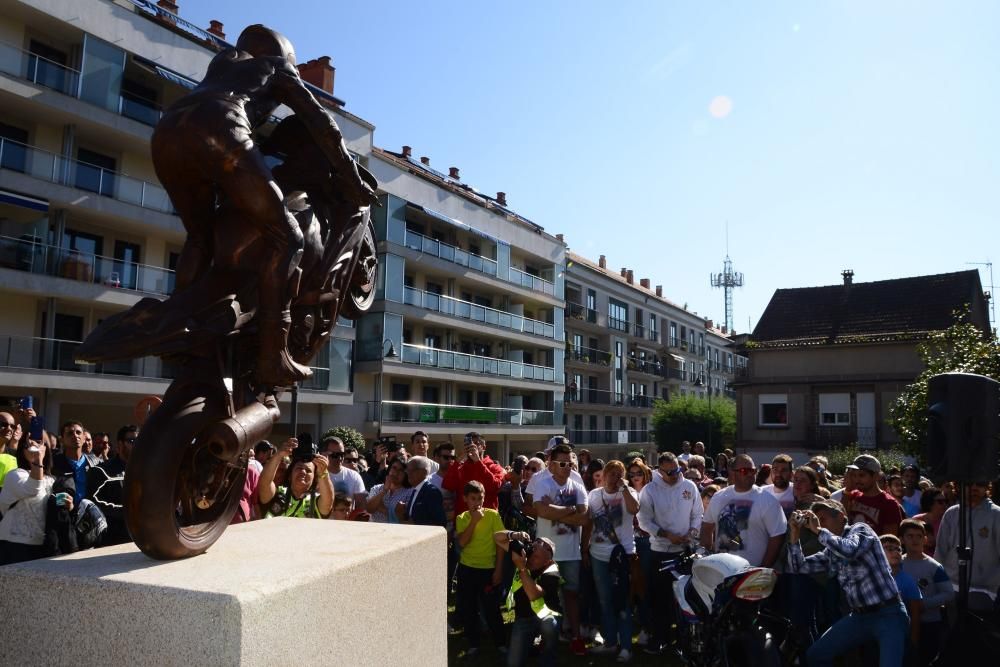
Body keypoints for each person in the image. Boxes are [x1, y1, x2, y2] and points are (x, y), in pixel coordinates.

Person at [150, 24, 373, 387]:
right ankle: (274, 354)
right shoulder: (275, 67)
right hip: (218, 125)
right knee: (288, 238)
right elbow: (322, 124)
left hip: (167, 133)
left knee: (199, 238)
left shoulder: (221, 65)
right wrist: (352, 177)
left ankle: (177, 326)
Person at [788, 499, 909, 667]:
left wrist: (817, 529)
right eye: (816, 519)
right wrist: (794, 535)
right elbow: (798, 567)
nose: (818, 523)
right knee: (815, 656)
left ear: (841, 517)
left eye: (823, 519)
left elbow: (849, 550)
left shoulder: (861, 530)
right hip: (859, 616)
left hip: (888, 613)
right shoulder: (831, 550)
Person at [637, 451, 703, 653]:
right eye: (670, 472)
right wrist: (665, 534)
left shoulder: (689, 486)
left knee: (687, 598)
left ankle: (684, 640)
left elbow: (697, 512)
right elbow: (644, 520)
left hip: (685, 549)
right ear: (660, 471)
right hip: (661, 551)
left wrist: (692, 531)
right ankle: (660, 638)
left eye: (677, 470)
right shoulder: (649, 491)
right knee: (660, 597)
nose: (675, 475)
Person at [532, 442, 589, 656]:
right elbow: (542, 511)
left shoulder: (578, 484)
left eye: (571, 462)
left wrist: (558, 510)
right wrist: (571, 509)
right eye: (563, 463)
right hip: (546, 553)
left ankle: (576, 637)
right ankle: (543, 637)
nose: (568, 467)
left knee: (572, 595)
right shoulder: (542, 483)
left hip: (571, 552)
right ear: (552, 465)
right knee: (544, 596)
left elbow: (584, 517)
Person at [583, 460, 638, 662]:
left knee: (623, 601)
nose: (614, 478)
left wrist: (624, 488)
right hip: (598, 553)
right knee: (605, 600)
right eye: (611, 474)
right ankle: (610, 642)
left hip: (622, 554)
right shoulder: (594, 495)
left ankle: (626, 646)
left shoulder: (628, 493)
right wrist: (584, 549)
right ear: (603, 475)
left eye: (619, 474)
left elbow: (634, 510)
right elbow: (588, 523)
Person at [701, 454, 786, 567]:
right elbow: (707, 527)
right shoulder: (718, 497)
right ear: (732, 473)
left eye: (753, 470)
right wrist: (707, 557)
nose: (751, 474)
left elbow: (777, 538)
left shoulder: (768, 500)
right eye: (745, 471)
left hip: (751, 574)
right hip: (721, 571)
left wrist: (762, 570)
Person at [454, 480, 506, 657]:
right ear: (466, 499)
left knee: (492, 608)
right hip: (467, 568)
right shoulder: (462, 518)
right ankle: (473, 642)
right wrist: (474, 522)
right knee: (469, 607)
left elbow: (500, 544)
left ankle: (500, 642)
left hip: (488, 569)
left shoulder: (493, 515)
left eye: (480, 498)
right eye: (473, 499)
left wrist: (498, 569)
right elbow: (462, 542)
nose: (477, 503)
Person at [494, 530, 561, 667]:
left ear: (548, 560)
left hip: (545, 616)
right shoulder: (522, 553)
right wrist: (513, 535)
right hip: (523, 618)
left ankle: (548, 657)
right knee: (513, 663)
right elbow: (496, 538)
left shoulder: (552, 572)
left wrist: (522, 569)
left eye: (544, 545)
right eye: (537, 540)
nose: (538, 543)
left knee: (549, 626)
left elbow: (534, 595)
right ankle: (531, 647)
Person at [933, 479, 1000, 612]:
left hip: (983, 589)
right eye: (969, 483)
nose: (974, 487)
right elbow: (940, 552)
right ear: (958, 486)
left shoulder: (996, 514)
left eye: (980, 483)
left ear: (987, 487)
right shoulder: (951, 513)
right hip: (950, 586)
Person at [900, 518, 953, 666]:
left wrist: (923, 604)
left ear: (925, 539)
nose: (915, 540)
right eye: (910, 536)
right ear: (902, 540)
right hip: (903, 623)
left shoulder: (934, 566)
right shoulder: (897, 565)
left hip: (930, 624)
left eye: (919, 536)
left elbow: (948, 593)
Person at [0, 435, 54, 564]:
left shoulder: (51, 480)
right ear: (22, 450)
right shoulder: (15, 475)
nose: (34, 447)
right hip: (14, 545)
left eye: (40, 443)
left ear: (46, 449)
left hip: (41, 545)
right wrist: (37, 459)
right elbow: (33, 488)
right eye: (28, 445)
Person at [86, 424, 138, 545]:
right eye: (132, 441)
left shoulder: (144, 472)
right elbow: (95, 504)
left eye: (140, 441)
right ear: (120, 444)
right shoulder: (101, 471)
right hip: (112, 538)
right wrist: (130, 512)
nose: (137, 444)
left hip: (140, 537)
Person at [259, 437, 333, 518]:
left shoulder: (316, 502)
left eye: (308, 471)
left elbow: (328, 502)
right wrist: (279, 454)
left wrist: (323, 472)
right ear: (290, 475)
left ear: (314, 478)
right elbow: (264, 483)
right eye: (299, 468)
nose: (303, 472)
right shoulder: (277, 495)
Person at [880, 533, 922, 660]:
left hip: (900, 637)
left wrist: (913, 642)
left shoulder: (908, 580)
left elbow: (915, 614)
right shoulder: (873, 578)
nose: (896, 552)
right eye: (889, 548)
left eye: (898, 549)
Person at [442, 432, 505, 515]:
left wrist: (478, 462)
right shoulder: (460, 467)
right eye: (468, 444)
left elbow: (495, 487)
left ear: (484, 447)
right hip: (464, 522)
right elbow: (447, 485)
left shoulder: (495, 467)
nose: (472, 446)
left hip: (487, 521)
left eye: (476, 443)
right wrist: (457, 461)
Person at [844, 454, 905, 537]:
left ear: (876, 476)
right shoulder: (853, 495)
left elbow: (889, 539)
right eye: (854, 475)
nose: (857, 480)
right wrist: (847, 490)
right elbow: (840, 520)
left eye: (862, 475)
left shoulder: (889, 503)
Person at [50, 420, 98, 505]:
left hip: (88, 515)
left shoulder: (95, 463)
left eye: (78, 432)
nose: (75, 436)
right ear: (62, 440)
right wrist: (62, 503)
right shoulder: (53, 463)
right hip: (63, 513)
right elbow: (49, 492)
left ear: (84, 438)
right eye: (70, 433)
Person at [318, 435, 367, 510]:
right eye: (335, 455)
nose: (340, 458)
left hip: (346, 521)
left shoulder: (354, 476)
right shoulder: (314, 474)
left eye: (342, 454)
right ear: (323, 454)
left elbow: (361, 506)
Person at [395, 456, 445, 527]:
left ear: (423, 472)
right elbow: (411, 520)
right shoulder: (415, 490)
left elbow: (440, 523)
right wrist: (400, 514)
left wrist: (415, 525)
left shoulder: (431, 492)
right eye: (407, 470)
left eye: (411, 470)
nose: (408, 473)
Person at [365, 457, 412, 524]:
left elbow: (405, 518)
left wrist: (383, 509)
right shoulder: (377, 488)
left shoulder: (410, 492)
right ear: (389, 469)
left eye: (401, 470)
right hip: (374, 530)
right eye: (394, 468)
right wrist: (384, 491)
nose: (396, 472)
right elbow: (369, 509)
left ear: (406, 474)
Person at [912, 488, 948, 556]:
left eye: (945, 501)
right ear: (929, 502)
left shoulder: (947, 522)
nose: (944, 504)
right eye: (940, 502)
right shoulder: (916, 520)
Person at [762, 454, 795, 518]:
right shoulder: (761, 492)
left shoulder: (797, 491)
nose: (778, 474)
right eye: (775, 469)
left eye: (784, 470)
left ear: (791, 474)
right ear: (771, 472)